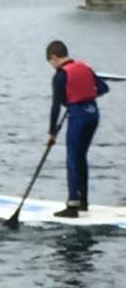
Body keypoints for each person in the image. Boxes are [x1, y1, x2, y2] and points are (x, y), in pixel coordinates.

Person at [45, 41, 109, 217]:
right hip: (93, 114)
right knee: (81, 157)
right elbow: (104, 88)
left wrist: (51, 133)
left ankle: (72, 205)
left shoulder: (60, 75)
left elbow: (55, 106)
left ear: (54, 58)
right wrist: (84, 94)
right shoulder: (84, 67)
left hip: (79, 117)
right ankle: (83, 202)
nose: (52, 66)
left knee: (72, 158)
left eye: (51, 63)